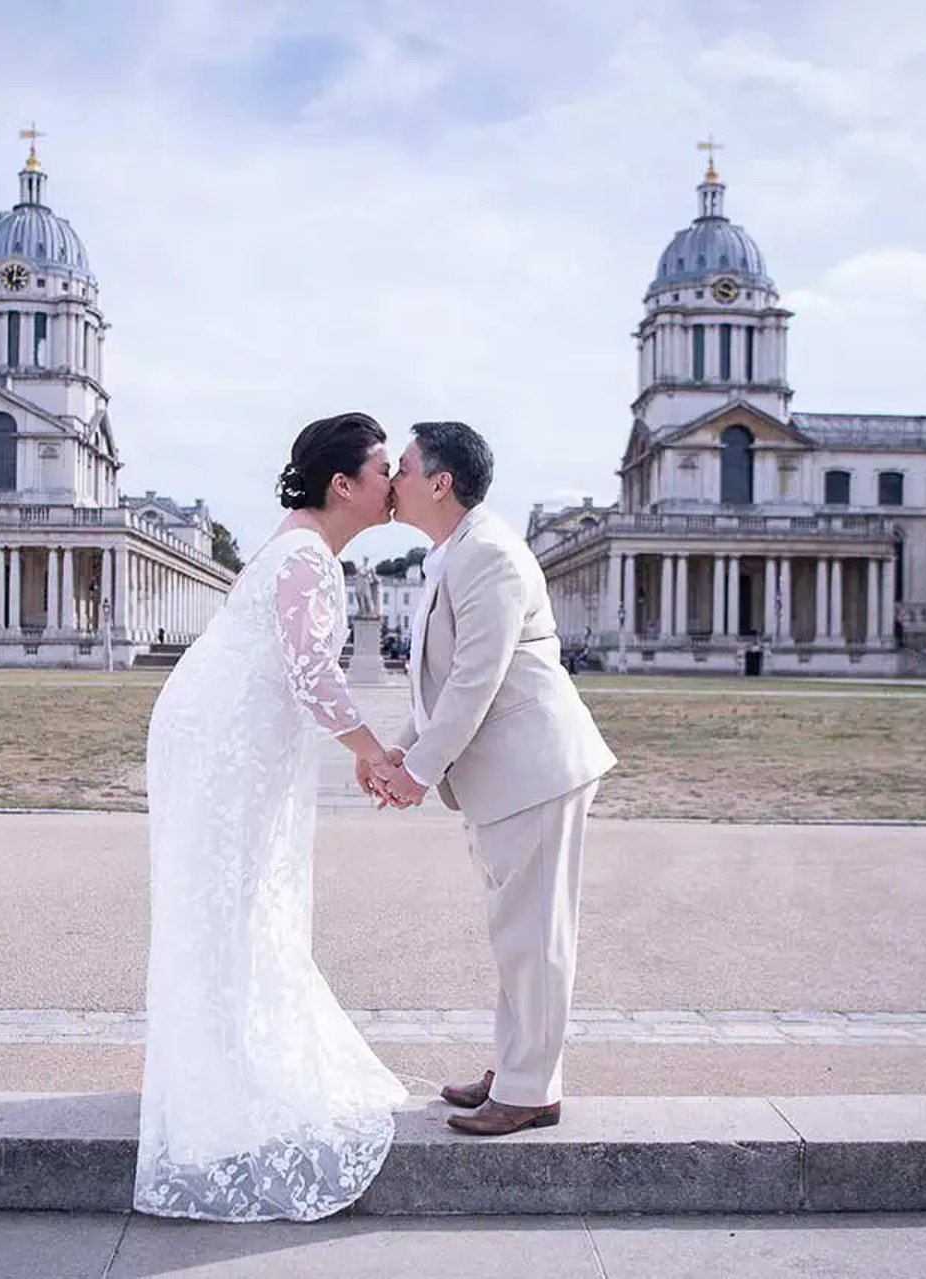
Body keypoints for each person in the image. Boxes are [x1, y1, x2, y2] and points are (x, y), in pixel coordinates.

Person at [136, 412, 406, 1222]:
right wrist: (372, 751)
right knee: (236, 894)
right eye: (383, 468)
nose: (393, 483)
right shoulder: (305, 558)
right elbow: (314, 675)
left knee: (235, 896)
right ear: (343, 484)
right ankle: (225, 1069)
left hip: (227, 729)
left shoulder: (296, 548)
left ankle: (220, 1052)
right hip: (229, 739)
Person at [376, 421, 617, 1138]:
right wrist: (400, 750)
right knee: (517, 930)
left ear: (441, 482)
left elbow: (475, 681)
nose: (393, 480)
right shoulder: (455, 554)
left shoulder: (489, 556)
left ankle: (531, 1088)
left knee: (535, 935)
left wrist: (416, 773)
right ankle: (517, 1067)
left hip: (534, 768)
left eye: (405, 467)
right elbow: (445, 684)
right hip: (512, 771)